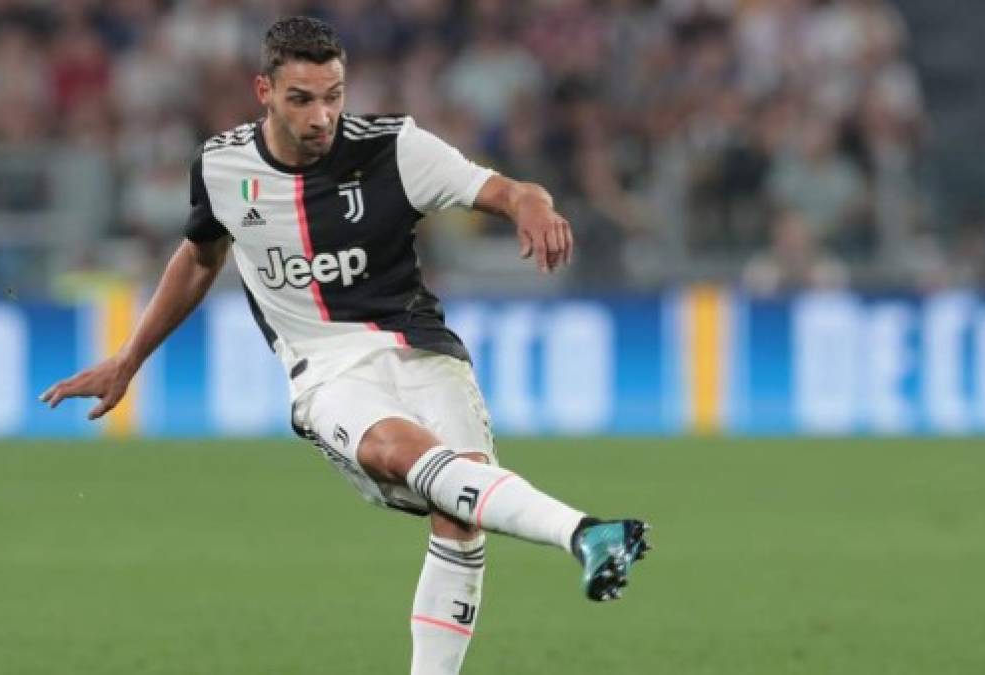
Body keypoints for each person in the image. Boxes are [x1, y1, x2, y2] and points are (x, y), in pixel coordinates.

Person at [40, 16, 649, 675]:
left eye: (333, 95)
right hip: (326, 367)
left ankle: (576, 546)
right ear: (264, 91)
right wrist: (130, 358)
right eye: (302, 98)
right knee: (403, 453)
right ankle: (584, 532)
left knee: (459, 514)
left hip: (422, 349)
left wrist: (532, 203)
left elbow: (505, 189)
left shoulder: (395, 149)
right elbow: (198, 258)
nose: (322, 115)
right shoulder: (221, 167)